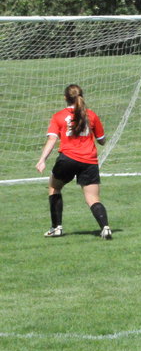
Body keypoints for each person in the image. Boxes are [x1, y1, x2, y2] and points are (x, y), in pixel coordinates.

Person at [35, 84, 112, 239]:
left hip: (67, 159)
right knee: (93, 198)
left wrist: (42, 160)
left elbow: (52, 139)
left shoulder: (58, 116)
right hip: (89, 161)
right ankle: (105, 227)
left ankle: (56, 228)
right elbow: (101, 140)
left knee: (54, 187)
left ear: (65, 98)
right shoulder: (91, 115)